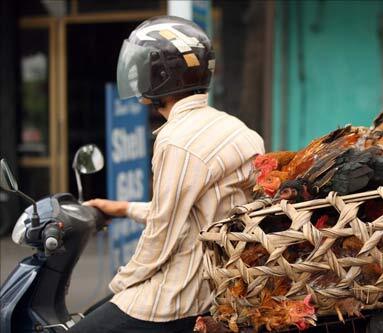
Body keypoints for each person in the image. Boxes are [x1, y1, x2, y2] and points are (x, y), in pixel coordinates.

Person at [68, 16, 264, 333]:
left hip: (176, 298)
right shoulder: (237, 129)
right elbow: (197, 214)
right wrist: (123, 208)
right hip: (221, 289)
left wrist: (122, 281)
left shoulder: (176, 140)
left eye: (142, 64)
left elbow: (163, 233)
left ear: (160, 75)